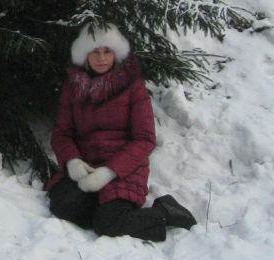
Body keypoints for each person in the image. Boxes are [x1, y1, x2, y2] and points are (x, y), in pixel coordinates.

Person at [47, 24, 197, 242]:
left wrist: (109, 172)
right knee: (62, 205)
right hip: (87, 166)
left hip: (124, 169)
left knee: (108, 224)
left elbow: (144, 139)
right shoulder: (73, 87)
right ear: (84, 54)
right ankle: (110, 214)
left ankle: (165, 211)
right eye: (95, 52)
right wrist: (73, 162)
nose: (101, 58)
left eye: (107, 51)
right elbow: (62, 133)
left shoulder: (133, 86)